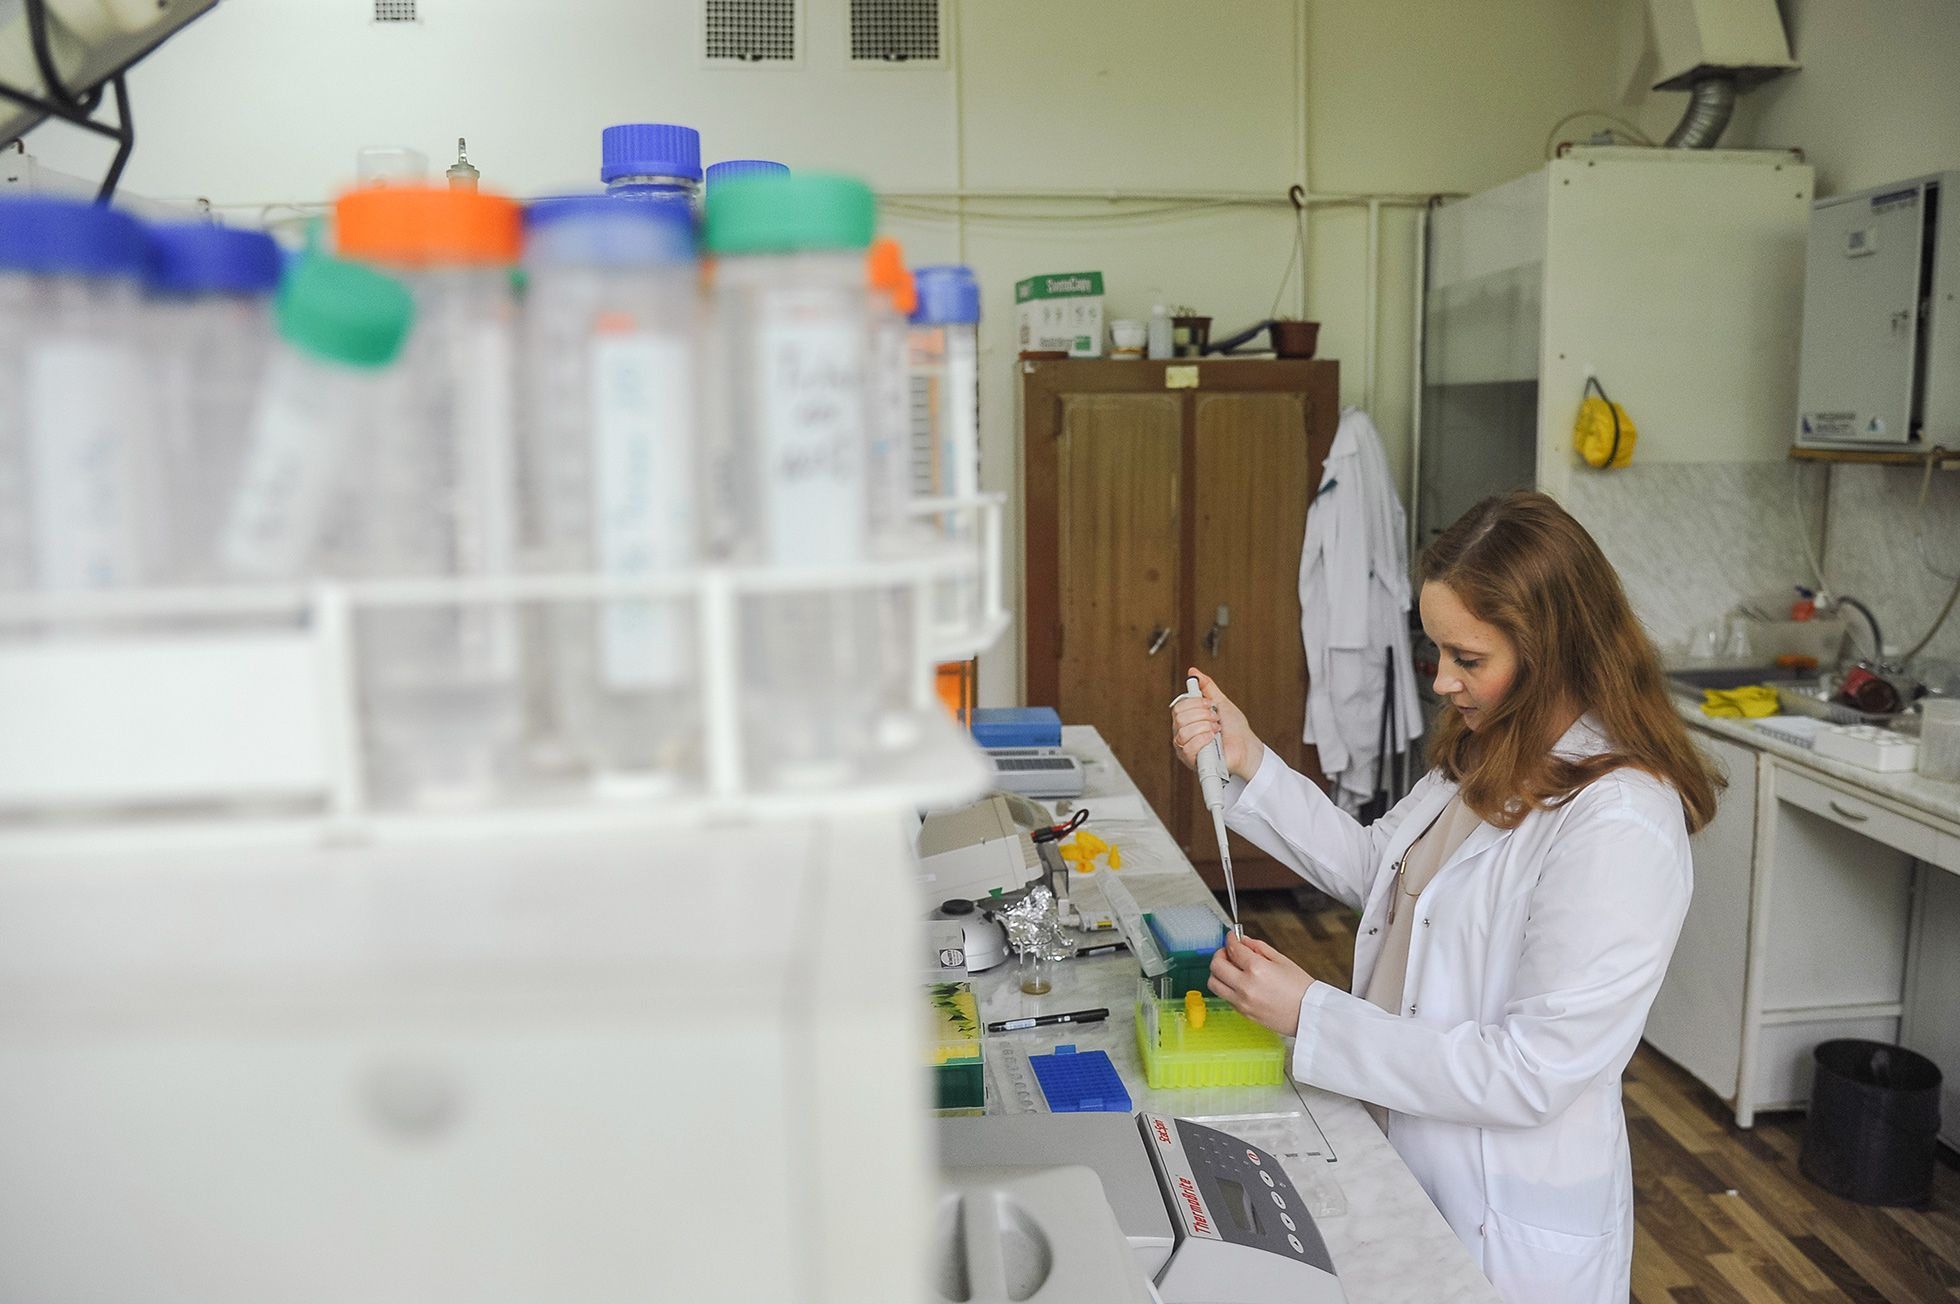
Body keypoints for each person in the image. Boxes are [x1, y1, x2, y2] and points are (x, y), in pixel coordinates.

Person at [1169, 491, 1720, 1304]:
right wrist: (1251, 759)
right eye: (1437, 651)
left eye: (1468, 658)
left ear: (1553, 651)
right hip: (1398, 1144)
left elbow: (1530, 1071)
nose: (1441, 680)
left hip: (1500, 1221)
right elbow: (1383, 872)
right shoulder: (1494, 747)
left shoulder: (1620, 821)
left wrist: (1312, 1014)